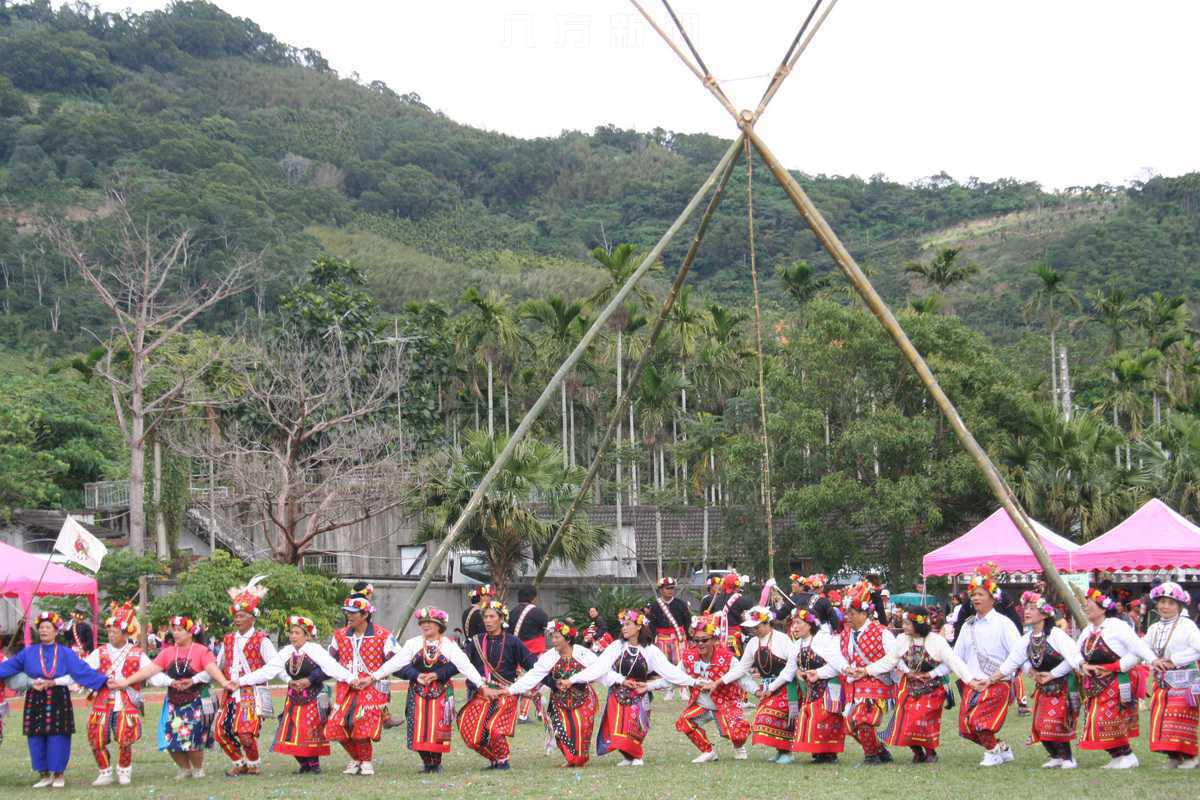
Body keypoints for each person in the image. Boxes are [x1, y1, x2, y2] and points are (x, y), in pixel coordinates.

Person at [567, 608, 698, 766]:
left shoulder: (650, 650)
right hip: (617, 693)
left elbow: (670, 672)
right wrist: (573, 679)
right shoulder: (617, 646)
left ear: (638, 627)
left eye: (628, 624)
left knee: (634, 728)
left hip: (640, 693)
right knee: (617, 729)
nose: (623, 628)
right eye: (623, 625)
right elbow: (599, 668)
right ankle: (629, 757)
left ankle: (636, 756)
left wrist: (694, 682)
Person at [114, 615, 233, 780]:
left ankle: (198, 769)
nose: (175, 633)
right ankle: (185, 768)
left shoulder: (201, 650)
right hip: (173, 701)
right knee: (170, 738)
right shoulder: (167, 652)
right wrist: (126, 681)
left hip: (196, 700)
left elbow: (211, 669)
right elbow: (149, 670)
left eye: (180, 630)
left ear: (190, 633)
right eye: (174, 630)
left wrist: (224, 682)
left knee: (192, 738)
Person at [369, 607, 486, 773]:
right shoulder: (413, 643)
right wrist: (374, 677)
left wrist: (481, 685)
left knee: (438, 728)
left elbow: (464, 665)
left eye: (430, 622)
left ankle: (436, 763)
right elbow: (395, 664)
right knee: (417, 728)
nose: (425, 625)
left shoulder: (449, 645)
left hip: (442, 692)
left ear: (440, 625)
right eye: (423, 622)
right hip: (417, 693)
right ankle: (427, 762)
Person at [233, 615, 354, 775]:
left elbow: (331, 667)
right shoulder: (287, 651)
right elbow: (268, 670)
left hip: (313, 696)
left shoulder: (315, 650)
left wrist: (352, 679)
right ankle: (303, 764)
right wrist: (240, 681)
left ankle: (313, 765)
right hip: (293, 697)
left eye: (297, 633)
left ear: (306, 635)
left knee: (308, 730)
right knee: (290, 731)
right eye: (291, 633)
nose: (293, 636)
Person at [0, 611, 108, 789]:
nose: (43, 630)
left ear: (55, 631)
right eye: (41, 627)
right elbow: (8, 667)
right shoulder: (28, 653)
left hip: (58, 698)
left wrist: (103, 681)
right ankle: (44, 775)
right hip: (35, 697)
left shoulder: (65, 653)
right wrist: (30, 682)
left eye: (47, 627)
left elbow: (82, 671)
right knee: (36, 736)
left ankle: (58, 774)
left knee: (59, 735)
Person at [991, 591, 1084, 769]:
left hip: (1062, 686)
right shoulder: (1026, 639)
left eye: (1032, 608)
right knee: (1040, 725)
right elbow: (1013, 661)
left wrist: (1052, 674)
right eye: (1026, 608)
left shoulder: (1056, 635)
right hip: (1044, 688)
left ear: (1044, 613)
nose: (1027, 611)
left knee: (1055, 723)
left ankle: (1068, 759)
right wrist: (991, 679)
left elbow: (1072, 658)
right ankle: (1056, 756)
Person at [72, 602, 162, 786]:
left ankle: (124, 770)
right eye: (110, 631)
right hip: (103, 701)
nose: (111, 634)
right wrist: (68, 680)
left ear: (125, 633)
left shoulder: (137, 653)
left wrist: (170, 681)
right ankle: (104, 772)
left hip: (126, 700)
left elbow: (154, 675)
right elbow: (82, 669)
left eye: (115, 631)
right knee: (95, 737)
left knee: (125, 737)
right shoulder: (101, 652)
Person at [1075, 587, 1157, 768]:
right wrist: (1083, 664)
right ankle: (1118, 757)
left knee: (1107, 720)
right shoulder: (1088, 630)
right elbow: (1075, 652)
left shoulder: (1117, 626)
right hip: (1095, 684)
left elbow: (1138, 649)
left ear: (1103, 608)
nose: (1085, 608)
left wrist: (1154, 660)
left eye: (1089, 605)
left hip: (1116, 681)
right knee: (1095, 721)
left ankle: (1127, 755)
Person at [503, 619, 602, 767]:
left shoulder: (583, 653)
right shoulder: (549, 657)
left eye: (557, 637)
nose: (553, 641)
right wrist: (510, 690)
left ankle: (578, 759)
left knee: (581, 732)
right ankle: (571, 759)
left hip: (583, 699)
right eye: (552, 637)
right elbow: (533, 675)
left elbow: (599, 670)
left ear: (567, 638)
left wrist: (620, 681)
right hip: (559, 702)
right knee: (560, 732)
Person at [952, 565, 1023, 767]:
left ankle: (992, 753)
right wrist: (968, 679)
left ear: (993, 598)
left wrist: (995, 677)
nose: (975, 598)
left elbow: (1017, 654)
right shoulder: (968, 625)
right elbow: (957, 656)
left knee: (978, 722)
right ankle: (1001, 747)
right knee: (966, 729)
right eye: (973, 594)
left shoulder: (1004, 624)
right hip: (973, 683)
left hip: (996, 682)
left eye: (980, 594)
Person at [883, 606, 973, 764]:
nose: (903, 627)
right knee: (906, 720)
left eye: (907, 623)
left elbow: (952, 662)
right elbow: (892, 660)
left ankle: (930, 751)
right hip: (909, 685)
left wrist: (932, 674)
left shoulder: (936, 641)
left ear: (918, 624)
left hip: (932, 687)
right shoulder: (902, 639)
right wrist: (906, 670)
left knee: (921, 718)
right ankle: (917, 752)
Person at [706, 605, 796, 763]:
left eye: (757, 627)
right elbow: (741, 668)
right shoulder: (753, 643)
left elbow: (791, 666)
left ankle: (787, 752)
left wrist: (773, 686)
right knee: (769, 717)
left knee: (775, 716)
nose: (754, 630)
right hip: (767, 687)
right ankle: (780, 751)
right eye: (752, 627)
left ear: (768, 623)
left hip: (786, 685)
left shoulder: (783, 640)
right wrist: (719, 682)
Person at [322, 591, 396, 776]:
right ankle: (356, 759)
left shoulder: (383, 635)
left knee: (360, 723)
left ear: (365, 615)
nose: (348, 615)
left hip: (371, 687)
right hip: (346, 688)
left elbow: (395, 661)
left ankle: (366, 762)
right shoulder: (339, 636)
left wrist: (375, 677)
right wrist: (347, 677)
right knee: (335, 725)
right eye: (347, 612)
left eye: (353, 612)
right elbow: (328, 662)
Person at [458, 601, 535, 770]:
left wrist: (524, 686)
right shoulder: (476, 641)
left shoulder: (513, 642)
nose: (488, 620)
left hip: (505, 693)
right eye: (485, 617)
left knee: (494, 729)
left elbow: (534, 666)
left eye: (492, 616)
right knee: (471, 736)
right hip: (482, 694)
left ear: (501, 619)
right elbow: (461, 663)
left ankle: (503, 761)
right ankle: (495, 758)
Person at [213, 578, 276, 777]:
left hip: (252, 693)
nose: (238, 620)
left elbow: (273, 667)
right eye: (236, 616)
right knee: (220, 732)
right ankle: (239, 762)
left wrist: (246, 680)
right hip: (230, 693)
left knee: (245, 733)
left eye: (242, 616)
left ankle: (253, 763)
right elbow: (218, 664)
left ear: (252, 618)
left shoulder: (262, 640)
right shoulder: (228, 640)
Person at [672, 614, 750, 764]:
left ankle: (739, 746)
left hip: (726, 703)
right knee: (684, 721)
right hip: (702, 705)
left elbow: (743, 678)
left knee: (737, 733)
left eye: (705, 640)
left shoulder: (728, 658)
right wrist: (649, 686)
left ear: (714, 640)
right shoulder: (688, 657)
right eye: (696, 640)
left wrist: (759, 691)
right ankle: (708, 752)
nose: (700, 644)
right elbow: (673, 677)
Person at [838, 581, 897, 765]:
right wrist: (846, 668)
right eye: (846, 613)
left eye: (852, 613)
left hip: (875, 683)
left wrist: (868, 670)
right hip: (852, 685)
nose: (847, 617)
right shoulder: (845, 634)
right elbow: (839, 657)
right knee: (849, 723)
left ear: (864, 614)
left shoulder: (882, 633)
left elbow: (893, 658)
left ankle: (871, 756)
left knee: (863, 718)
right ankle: (880, 751)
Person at [1143, 581, 1200, 768]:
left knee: (1180, 716)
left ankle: (1191, 758)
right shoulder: (1153, 628)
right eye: (1162, 602)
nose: (1165, 606)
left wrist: (1174, 660)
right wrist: (1154, 661)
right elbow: (1144, 650)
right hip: (1163, 681)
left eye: (1171, 603)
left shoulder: (1187, 625)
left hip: (1185, 680)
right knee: (1163, 718)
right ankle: (1174, 758)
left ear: (1179, 606)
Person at [788, 607, 848, 763]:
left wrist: (819, 673)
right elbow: (792, 668)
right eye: (793, 623)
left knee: (824, 718)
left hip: (828, 686)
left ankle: (828, 752)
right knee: (810, 718)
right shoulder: (797, 645)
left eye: (798, 623)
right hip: (810, 689)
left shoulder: (822, 640)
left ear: (809, 624)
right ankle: (818, 751)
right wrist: (799, 673)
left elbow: (836, 663)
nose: (794, 627)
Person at [511, 586, 550, 723]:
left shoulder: (512, 612)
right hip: (535, 653)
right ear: (533, 597)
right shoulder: (537, 612)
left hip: (517, 653)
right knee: (534, 682)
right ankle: (523, 714)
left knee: (530, 681)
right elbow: (550, 628)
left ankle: (539, 712)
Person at [649, 577, 691, 701]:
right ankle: (670, 690)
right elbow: (652, 625)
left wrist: (689, 637)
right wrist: (651, 640)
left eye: (672, 588)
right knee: (665, 666)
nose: (670, 591)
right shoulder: (655, 606)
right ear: (661, 590)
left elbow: (687, 622)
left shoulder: (680, 604)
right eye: (667, 588)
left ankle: (683, 689)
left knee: (681, 665)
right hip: (662, 639)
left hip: (678, 638)